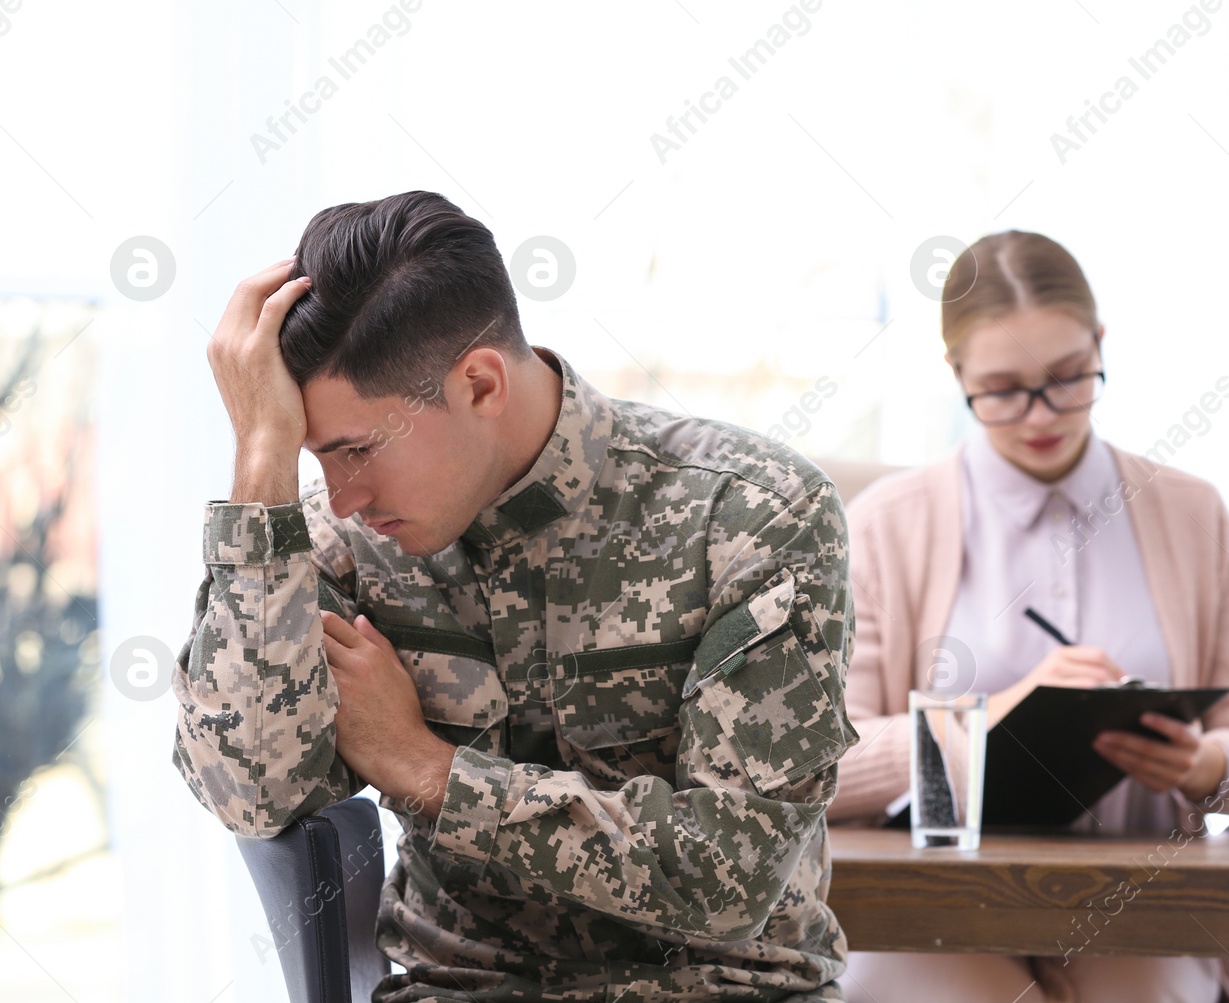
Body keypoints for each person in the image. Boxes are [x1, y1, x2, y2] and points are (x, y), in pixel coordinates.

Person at [170, 190, 860, 1001]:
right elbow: (251, 791)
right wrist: (260, 470)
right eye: (315, 456)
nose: (343, 494)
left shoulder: (752, 516)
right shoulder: (334, 542)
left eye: (357, 448)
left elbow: (728, 877)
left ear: (481, 384)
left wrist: (424, 768)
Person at [827, 230, 1229, 1003]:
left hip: (1138, 895)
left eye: (1070, 377)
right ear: (956, 373)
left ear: (1100, 344)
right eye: (1003, 388)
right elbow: (822, 767)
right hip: (935, 899)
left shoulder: (1192, 512)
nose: (1040, 413)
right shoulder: (882, 525)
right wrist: (988, 717)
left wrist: (1208, 766)